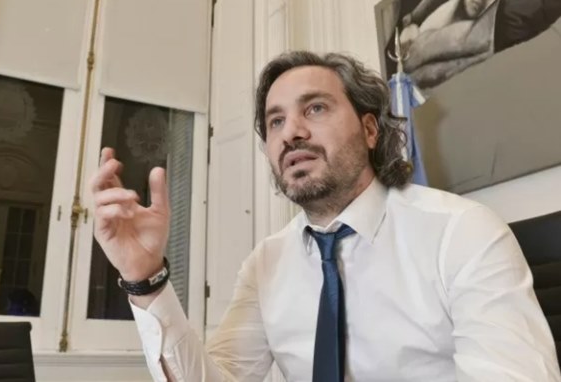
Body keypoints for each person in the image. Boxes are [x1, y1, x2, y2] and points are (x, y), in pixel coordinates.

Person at [90, 51, 561, 381]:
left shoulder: (462, 232)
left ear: (370, 129)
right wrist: (145, 279)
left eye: (315, 108)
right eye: (275, 121)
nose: (291, 133)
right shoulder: (265, 264)